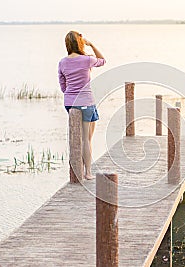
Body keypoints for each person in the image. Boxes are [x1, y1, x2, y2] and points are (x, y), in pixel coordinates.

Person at [58, 31, 106, 180]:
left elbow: (63, 86)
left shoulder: (62, 62)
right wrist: (91, 44)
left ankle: (77, 172)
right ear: (80, 43)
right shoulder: (87, 60)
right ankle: (87, 173)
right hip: (86, 102)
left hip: (70, 103)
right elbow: (102, 60)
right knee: (86, 139)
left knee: (76, 137)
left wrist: (71, 95)